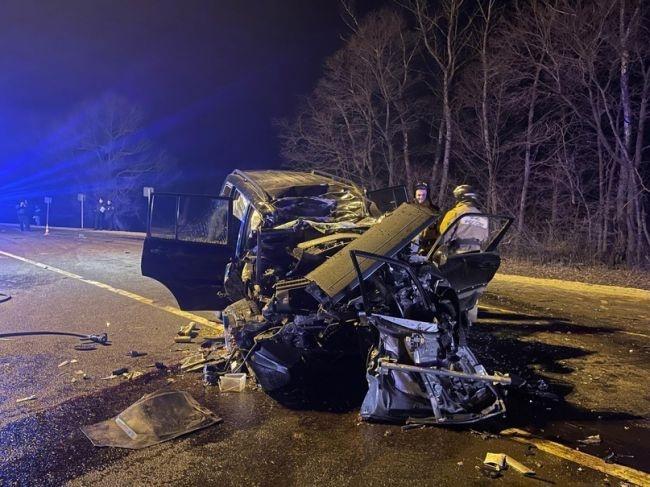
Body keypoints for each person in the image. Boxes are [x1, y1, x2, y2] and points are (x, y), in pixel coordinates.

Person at [438, 185, 488, 253]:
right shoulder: (483, 217)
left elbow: (444, 235)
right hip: (477, 255)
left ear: (460, 198)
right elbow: (484, 238)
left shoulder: (454, 213)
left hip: (458, 254)